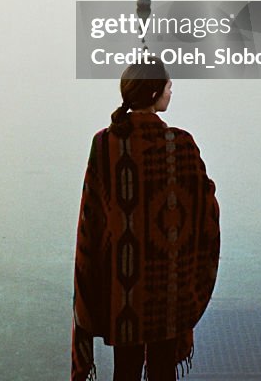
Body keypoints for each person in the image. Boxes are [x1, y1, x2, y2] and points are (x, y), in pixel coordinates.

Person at [72, 60, 220, 381]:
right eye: (168, 86)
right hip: (167, 288)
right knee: (162, 369)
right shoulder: (181, 144)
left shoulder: (103, 144)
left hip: (122, 288)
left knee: (125, 370)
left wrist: (90, 288)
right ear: (154, 92)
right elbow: (204, 212)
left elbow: (91, 220)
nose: (171, 91)